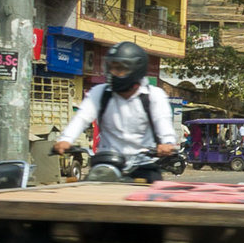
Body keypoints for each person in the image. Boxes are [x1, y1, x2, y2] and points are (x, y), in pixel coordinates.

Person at [51, 41, 181, 174]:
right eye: (110, 68)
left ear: (136, 70)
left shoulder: (154, 96)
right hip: (106, 164)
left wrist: (167, 143)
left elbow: (163, 122)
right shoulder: (100, 92)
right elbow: (81, 118)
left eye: (119, 69)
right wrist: (66, 139)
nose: (112, 73)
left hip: (144, 165)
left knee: (154, 193)